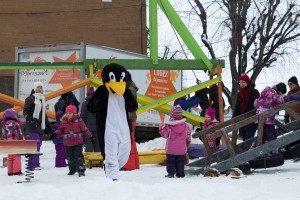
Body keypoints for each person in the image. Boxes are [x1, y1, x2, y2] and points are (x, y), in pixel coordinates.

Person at [252, 83, 300, 149]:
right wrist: (295, 97)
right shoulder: (274, 96)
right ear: (279, 91)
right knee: (272, 136)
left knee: (262, 137)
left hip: (259, 120)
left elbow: (255, 103)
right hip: (268, 121)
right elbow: (285, 98)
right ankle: (272, 153)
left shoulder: (263, 95)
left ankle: (252, 150)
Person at [50, 105, 91, 177]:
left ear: (74, 113)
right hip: (68, 143)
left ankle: (81, 169)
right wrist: (55, 134)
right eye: (67, 113)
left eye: (70, 113)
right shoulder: (63, 122)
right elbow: (60, 130)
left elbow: (84, 129)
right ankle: (72, 169)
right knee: (69, 157)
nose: (68, 114)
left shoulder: (79, 120)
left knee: (78, 156)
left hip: (78, 142)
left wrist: (89, 135)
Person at [23, 82, 52, 170]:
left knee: (38, 144)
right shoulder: (30, 99)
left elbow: (44, 114)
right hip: (32, 124)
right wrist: (29, 118)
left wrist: (48, 126)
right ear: (35, 88)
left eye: (41, 87)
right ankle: (32, 164)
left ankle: (36, 163)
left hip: (40, 125)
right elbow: (25, 110)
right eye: (38, 87)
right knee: (35, 143)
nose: (39, 89)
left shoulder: (42, 99)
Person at [159, 105, 191, 178]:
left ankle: (171, 174)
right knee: (180, 162)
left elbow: (165, 135)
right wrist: (187, 143)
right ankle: (180, 174)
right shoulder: (186, 126)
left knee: (170, 162)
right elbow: (188, 136)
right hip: (181, 149)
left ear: (172, 115)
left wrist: (161, 128)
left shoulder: (169, 126)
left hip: (171, 149)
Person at [232, 74, 260, 141]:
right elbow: (237, 107)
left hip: (251, 119)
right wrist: (234, 118)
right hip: (242, 119)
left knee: (249, 139)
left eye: (243, 82)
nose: (241, 84)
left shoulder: (254, 92)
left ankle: (250, 151)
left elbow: (258, 105)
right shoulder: (240, 93)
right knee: (244, 139)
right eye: (240, 82)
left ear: (247, 82)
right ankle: (247, 151)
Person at [122, 72, 140, 170]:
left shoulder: (129, 90)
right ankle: (134, 163)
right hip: (130, 117)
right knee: (131, 140)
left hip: (128, 118)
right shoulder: (131, 89)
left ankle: (129, 164)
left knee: (127, 141)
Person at [1, 109, 24, 176]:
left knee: (10, 157)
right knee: (16, 156)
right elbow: (19, 134)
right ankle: (17, 172)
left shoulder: (4, 124)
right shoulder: (15, 124)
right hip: (16, 143)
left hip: (8, 144)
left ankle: (10, 172)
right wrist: (22, 141)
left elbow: (4, 135)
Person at [80, 87, 100, 152]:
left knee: (88, 143)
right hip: (97, 127)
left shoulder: (85, 103)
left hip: (87, 127)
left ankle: (89, 160)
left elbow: (82, 116)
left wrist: (81, 126)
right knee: (97, 144)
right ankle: (98, 159)